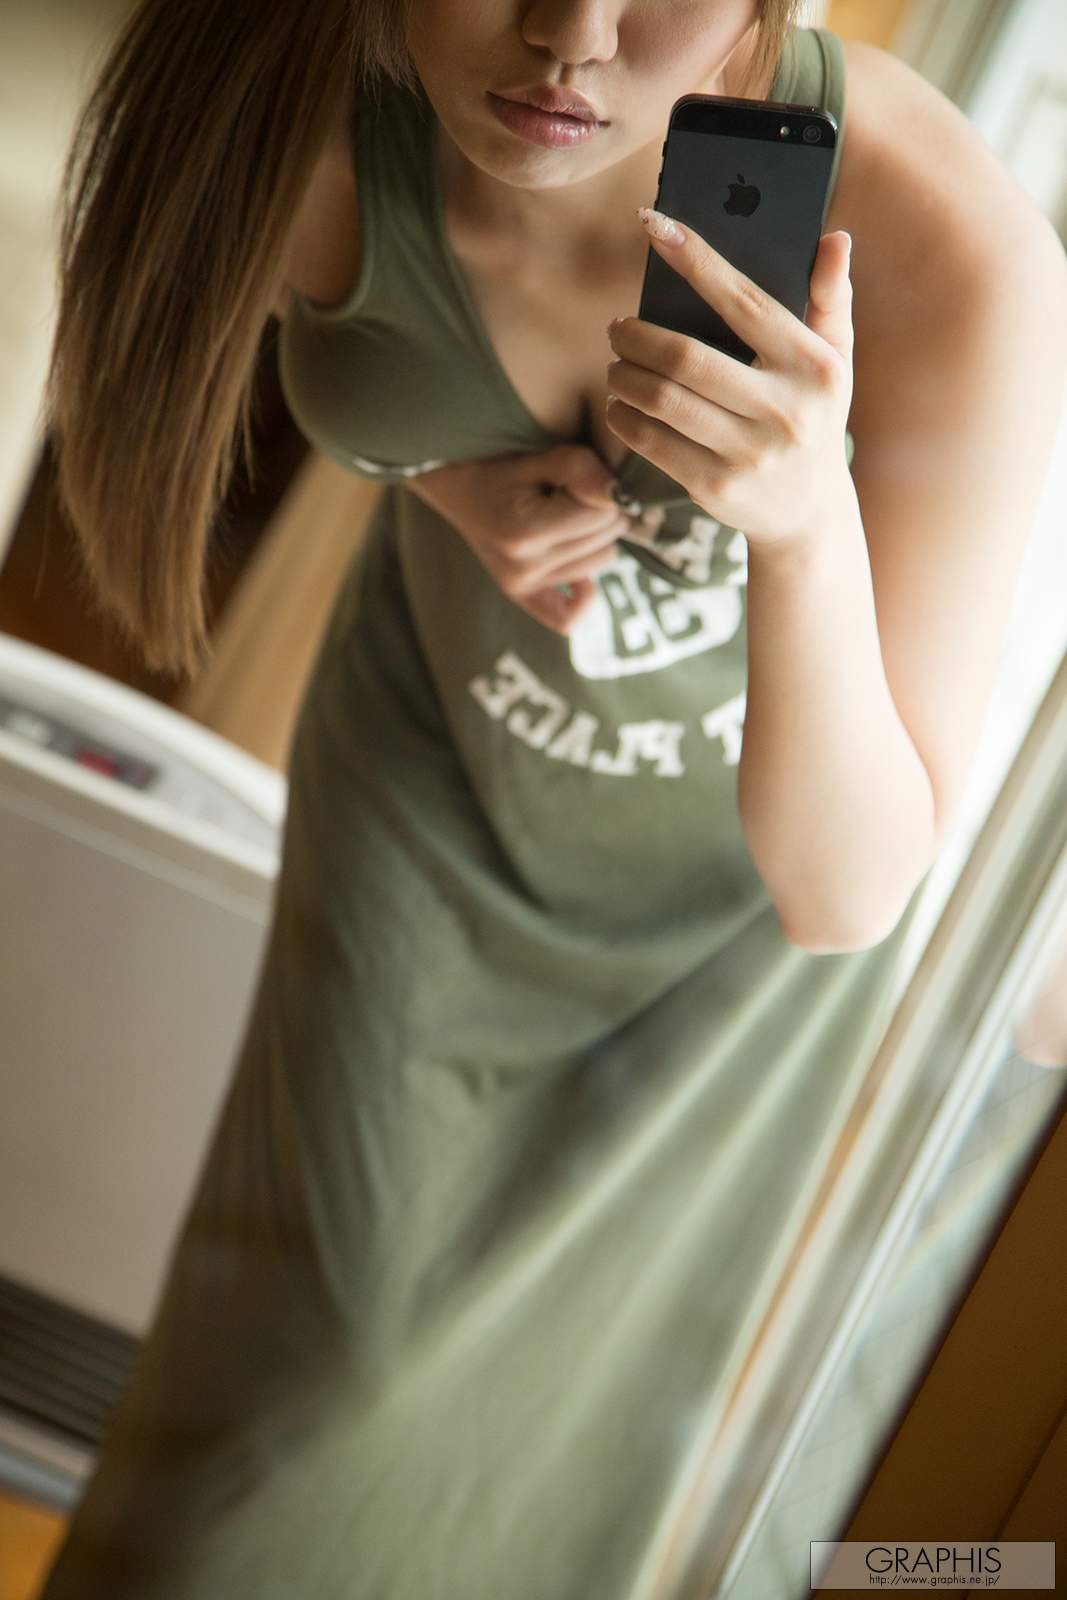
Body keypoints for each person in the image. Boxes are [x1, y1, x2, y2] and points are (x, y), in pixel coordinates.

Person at [36, 1, 1067, 1596]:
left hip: (736, 945)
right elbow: (345, 360)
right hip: (434, 790)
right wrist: (439, 481)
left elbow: (847, 892)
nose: (568, 39)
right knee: (282, 1404)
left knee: (590, 1477)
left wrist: (805, 535)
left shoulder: (948, 252)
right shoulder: (310, 87)